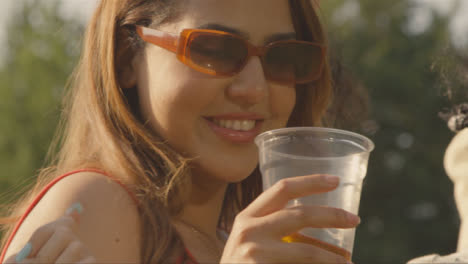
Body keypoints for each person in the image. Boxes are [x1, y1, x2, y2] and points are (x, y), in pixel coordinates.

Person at [0, 0, 360, 263]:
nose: (254, 89)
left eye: (284, 57)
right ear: (127, 58)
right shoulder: (97, 206)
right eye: (214, 49)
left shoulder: (238, 245)